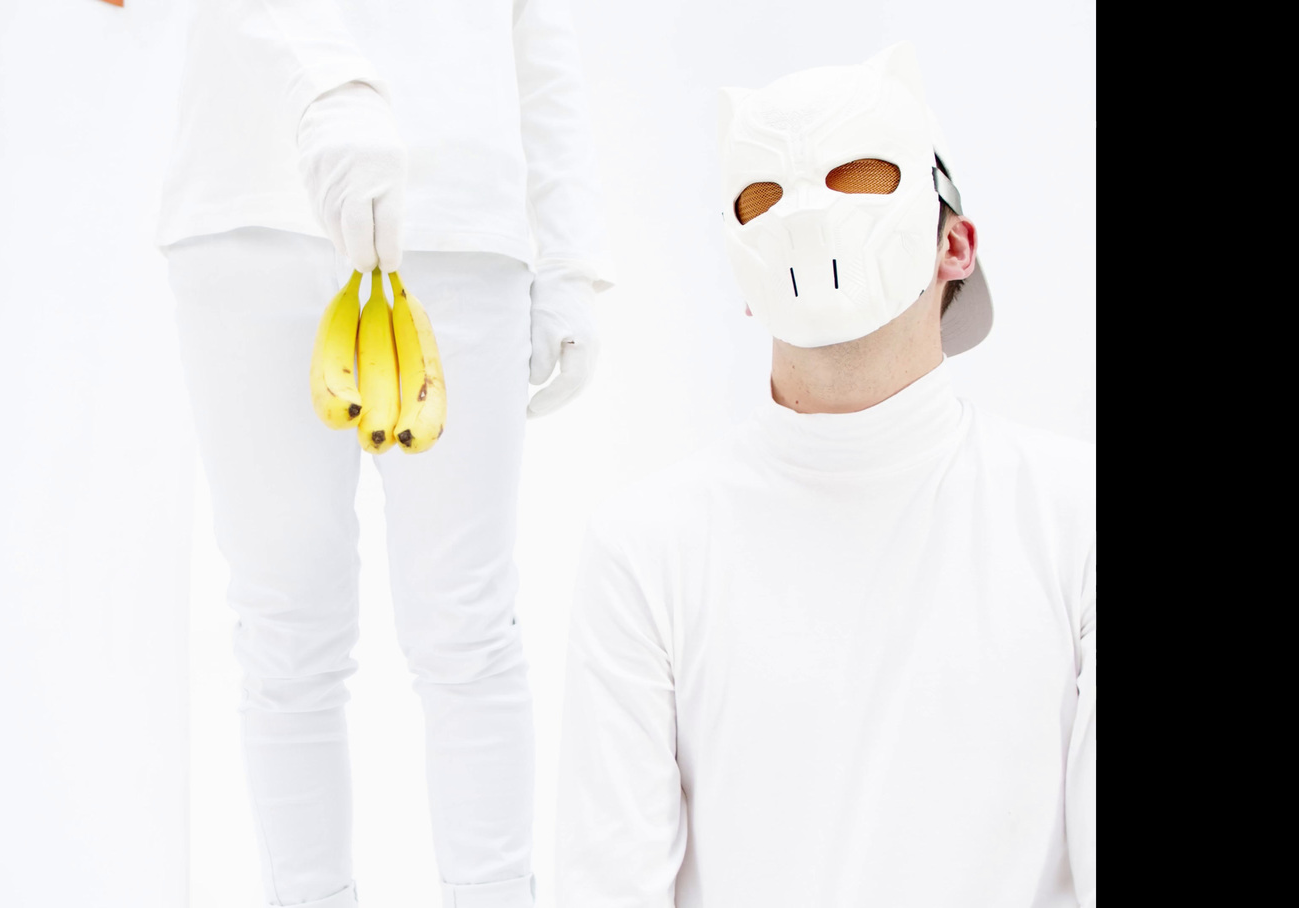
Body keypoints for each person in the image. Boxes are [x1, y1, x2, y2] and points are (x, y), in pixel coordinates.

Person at [556, 44, 1095, 907]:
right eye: (765, 201)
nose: (808, 218)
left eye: (858, 179)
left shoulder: (1075, 518)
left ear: (953, 243)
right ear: (745, 277)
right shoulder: (646, 550)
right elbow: (608, 884)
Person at [158, 2, 611, 906]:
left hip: (461, 214)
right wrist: (331, 89)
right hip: (252, 197)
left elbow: (539, 28)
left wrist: (569, 256)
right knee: (286, 624)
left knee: (467, 622)